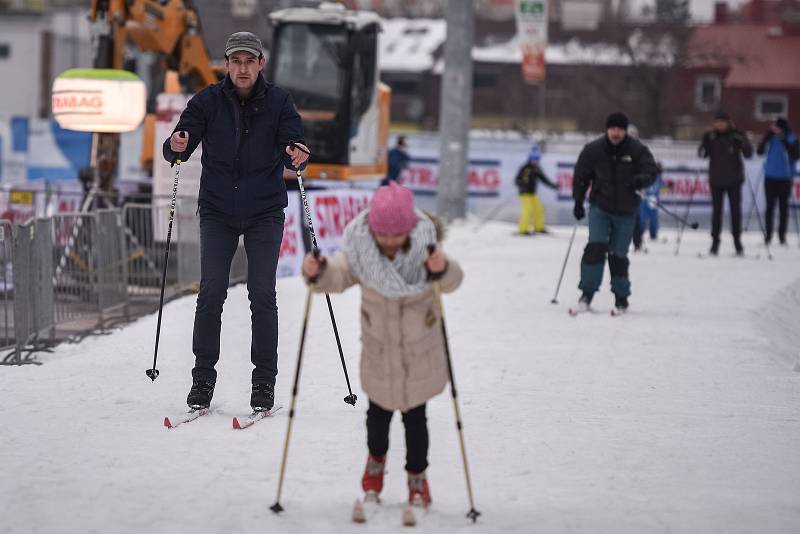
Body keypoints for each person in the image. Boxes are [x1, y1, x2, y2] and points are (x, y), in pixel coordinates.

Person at [162, 32, 310, 411]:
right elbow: (179, 143)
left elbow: (296, 142)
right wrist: (176, 145)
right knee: (211, 292)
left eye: (249, 61)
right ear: (226, 65)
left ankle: (263, 383)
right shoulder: (208, 101)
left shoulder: (279, 102)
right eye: (236, 61)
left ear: (261, 64)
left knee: (262, 294)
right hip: (217, 211)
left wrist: (297, 153)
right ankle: (202, 380)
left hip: (264, 211)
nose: (242, 68)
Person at [301, 182, 463, 508]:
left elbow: (453, 279)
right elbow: (339, 273)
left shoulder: (426, 252)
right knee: (377, 422)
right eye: (383, 235)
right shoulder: (362, 253)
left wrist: (442, 269)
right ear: (373, 231)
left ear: (409, 230)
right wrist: (319, 272)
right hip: (379, 356)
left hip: (419, 358)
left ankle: (418, 477)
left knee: (416, 424)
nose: (389, 241)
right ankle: (375, 462)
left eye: (396, 234)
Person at [572, 112, 658, 312]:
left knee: (618, 254)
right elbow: (581, 176)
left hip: (626, 210)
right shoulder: (593, 150)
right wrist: (578, 201)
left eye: (620, 129)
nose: (616, 133)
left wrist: (640, 180)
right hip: (600, 207)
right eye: (613, 129)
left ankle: (621, 297)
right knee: (595, 247)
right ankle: (587, 293)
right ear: (607, 129)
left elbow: (651, 171)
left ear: (625, 131)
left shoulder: (637, 150)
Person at [698, 111, 753, 255]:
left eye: (721, 122)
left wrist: (743, 143)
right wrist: (705, 143)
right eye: (716, 122)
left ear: (728, 122)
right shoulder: (711, 136)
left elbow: (749, 153)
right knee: (716, 212)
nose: (719, 125)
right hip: (716, 179)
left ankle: (737, 241)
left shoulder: (736, 134)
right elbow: (702, 155)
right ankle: (715, 242)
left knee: (735, 212)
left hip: (734, 179)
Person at [756, 117, 799, 245]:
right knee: (769, 207)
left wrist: (783, 138)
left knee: (783, 208)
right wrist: (767, 136)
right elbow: (759, 151)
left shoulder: (791, 137)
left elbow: (795, 155)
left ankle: (782, 235)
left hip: (785, 177)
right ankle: (768, 235)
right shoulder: (771, 137)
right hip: (770, 176)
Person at [514, 144, 557, 235]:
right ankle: (522, 229)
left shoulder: (537, 169)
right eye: (534, 159)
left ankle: (538, 227)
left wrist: (553, 185)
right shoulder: (525, 168)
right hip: (524, 193)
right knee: (528, 210)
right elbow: (517, 180)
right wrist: (521, 184)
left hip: (532, 193)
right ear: (530, 158)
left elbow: (544, 179)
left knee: (539, 209)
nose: (536, 161)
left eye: (537, 159)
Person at [633, 161, 666, 251]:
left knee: (654, 219)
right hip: (644, 202)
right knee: (642, 219)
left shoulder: (659, 179)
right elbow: (641, 188)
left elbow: (663, 187)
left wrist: (669, 187)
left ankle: (653, 234)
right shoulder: (647, 177)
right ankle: (639, 234)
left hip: (654, 203)